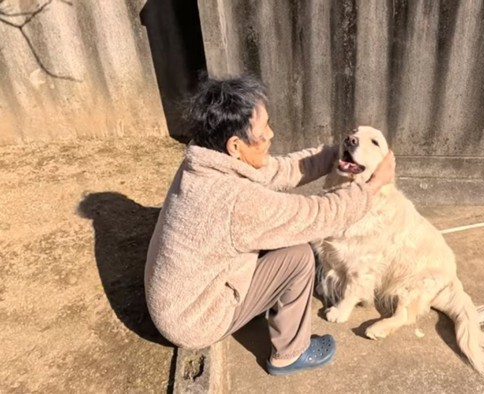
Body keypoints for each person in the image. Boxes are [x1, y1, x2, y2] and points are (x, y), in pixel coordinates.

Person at [144, 75, 395, 376]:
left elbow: (277, 170)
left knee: (277, 240)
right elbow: (315, 215)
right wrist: (371, 187)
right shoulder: (235, 201)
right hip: (195, 321)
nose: (272, 134)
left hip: (174, 301)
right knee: (300, 255)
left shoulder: (205, 158)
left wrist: (336, 156)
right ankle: (290, 353)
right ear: (236, 145)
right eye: (263, 131)